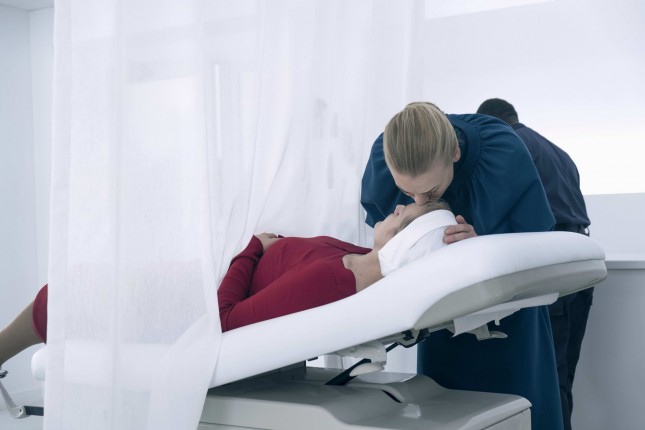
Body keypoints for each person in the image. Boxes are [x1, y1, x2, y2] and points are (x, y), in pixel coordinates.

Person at [0, 200, 455, 381]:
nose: (398, 205)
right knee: (78, 285)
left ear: (403, 242)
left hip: (193, 306)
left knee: (70, 295)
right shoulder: (361, 257)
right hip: (200, 282)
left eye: (406, 215)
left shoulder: (336, 279)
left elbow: (226, 321)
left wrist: (253, 247)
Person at [361, 101, 563, 430]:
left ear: (454, 153)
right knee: (448, 409)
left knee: (520, 408)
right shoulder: (387, 156)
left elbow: (537, 246)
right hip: (439, 321)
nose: (419, 202)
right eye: (405, 192)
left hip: (510, 319)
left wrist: (484, 245)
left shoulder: (503, 153)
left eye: (431, 190)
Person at [477, 97, 592, 430]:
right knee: (563, 375)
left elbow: (503, 210)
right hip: (580, 260)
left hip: (552, 265)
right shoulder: (558, 152)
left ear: (491, 124)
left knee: (548, 376)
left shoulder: (510, 146)